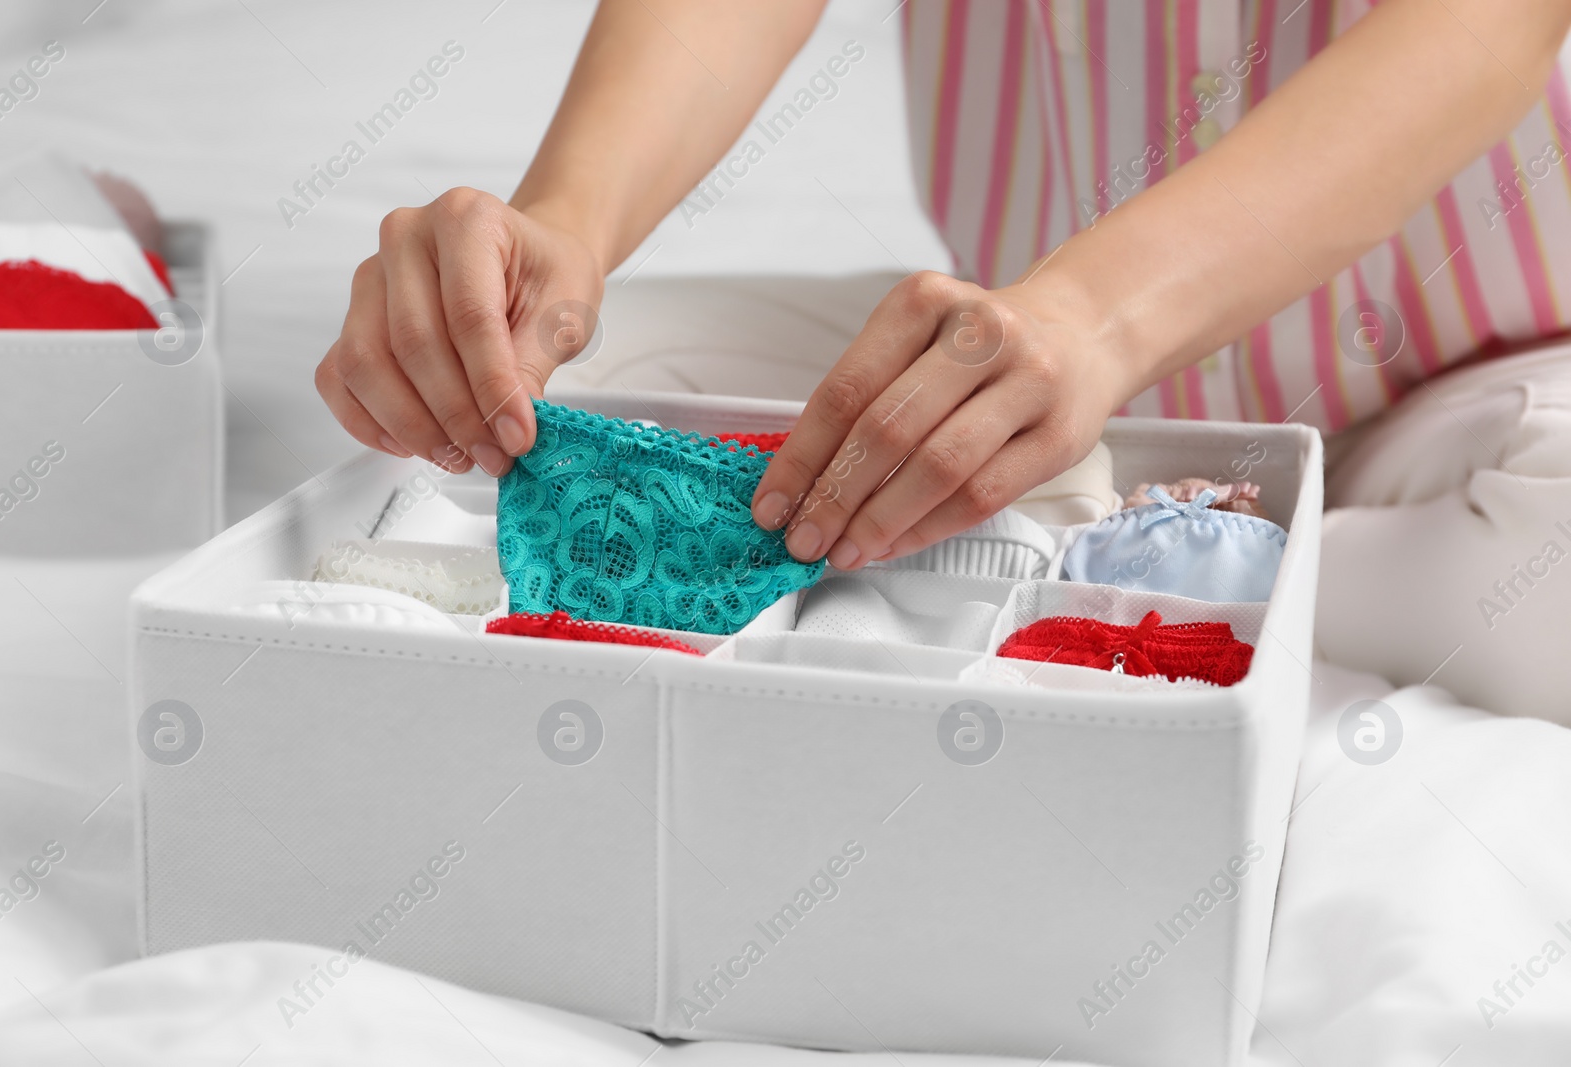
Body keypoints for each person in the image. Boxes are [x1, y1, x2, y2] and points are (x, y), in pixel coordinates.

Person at [314, 0, 1571, 723]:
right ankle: (1093, 561)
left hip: (1476, 374)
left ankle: (1116, 563)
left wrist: (1099, 318)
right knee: (501, 408)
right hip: (1011, 379)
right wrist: (566, 227)